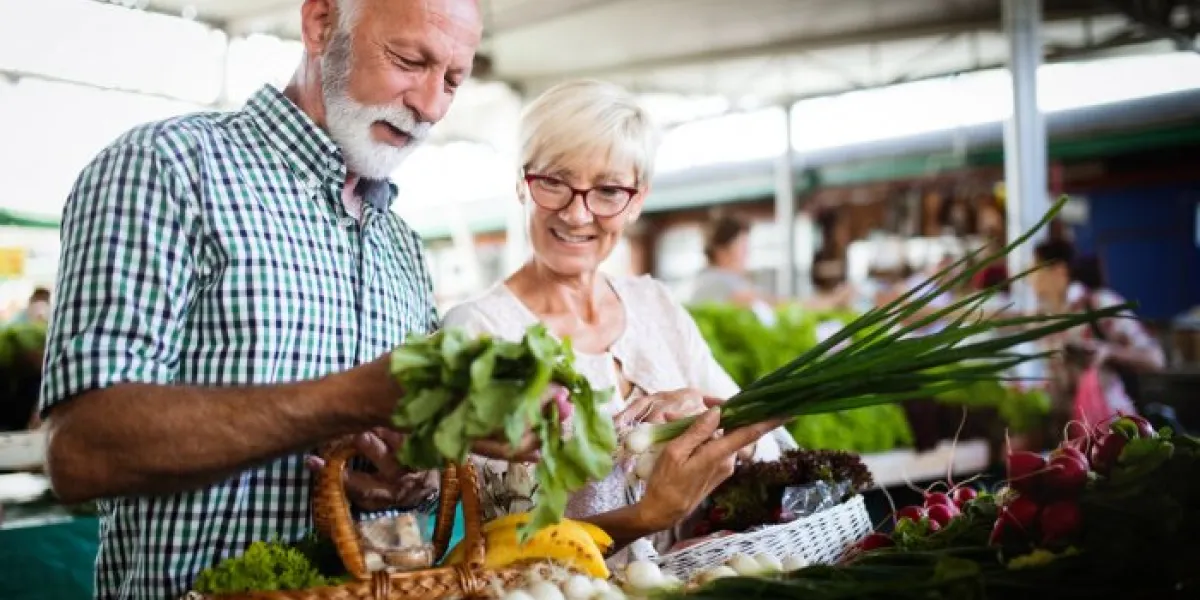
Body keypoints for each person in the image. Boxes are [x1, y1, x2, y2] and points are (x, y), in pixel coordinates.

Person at [37, 1, 535, 597]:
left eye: (452, 80)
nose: (429, 106)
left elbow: (410, 461)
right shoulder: (169, 169)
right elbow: (82, 451)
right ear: (322, 24)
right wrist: (348, 399)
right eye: (408, 61)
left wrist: (411, 475)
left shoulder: (400, 244)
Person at [441, 80, 794, 565]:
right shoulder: (479, 330)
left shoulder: (655, 306)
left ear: (636, 201)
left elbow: (772, 447)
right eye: (555, 181)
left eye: (607, 190)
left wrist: (710, 423)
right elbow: (498, 543)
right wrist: (644, 518)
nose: (577, 212)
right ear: (522, 182)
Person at [1029, 240, 1164, 422]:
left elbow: (1155, 359)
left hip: (1111, 428)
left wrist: (1108, 352)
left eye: (1034, 270)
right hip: (1068, 432)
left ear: (1059, 271)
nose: (1029, 279)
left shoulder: (1099, 305)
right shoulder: (1043, 317)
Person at [691, 214, 853, 322]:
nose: (747, 255)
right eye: (743, 248)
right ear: (722, 252)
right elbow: (777, 306)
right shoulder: (716, 281)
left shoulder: (717, 280)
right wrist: (832, 300)